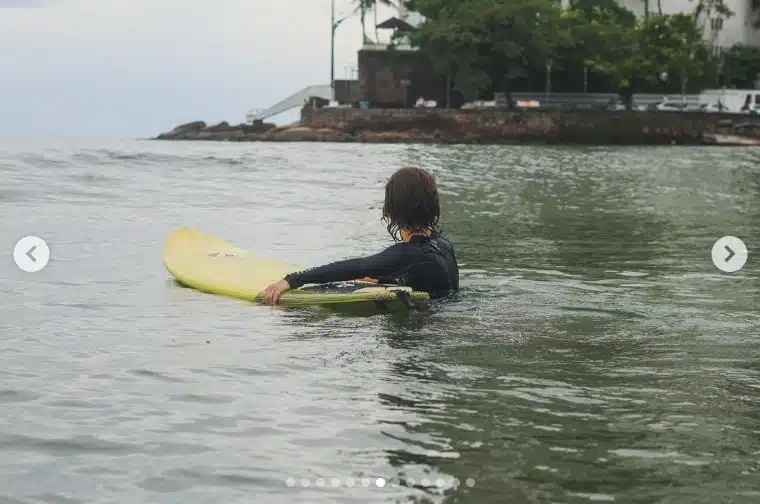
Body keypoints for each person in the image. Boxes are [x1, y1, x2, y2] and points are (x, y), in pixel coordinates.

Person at [262, 166, 459, 305]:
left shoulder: (409, 253)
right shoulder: (442, 245)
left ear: (393, 209)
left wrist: (292, 279)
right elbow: (427, 280)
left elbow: (356, 266)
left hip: (429, 326)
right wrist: (383, 280)